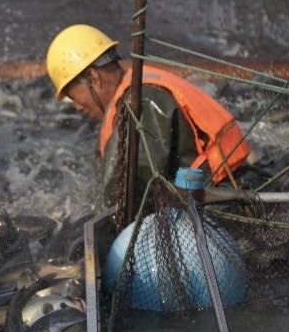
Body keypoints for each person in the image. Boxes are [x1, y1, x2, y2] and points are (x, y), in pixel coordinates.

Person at [46, 23, 251, 207]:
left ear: (94, 77)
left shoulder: (143, 100)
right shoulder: (135, 92)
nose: (78, 107)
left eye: (73, 97)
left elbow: (133, 188)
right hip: (210, 195)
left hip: (222, 202)